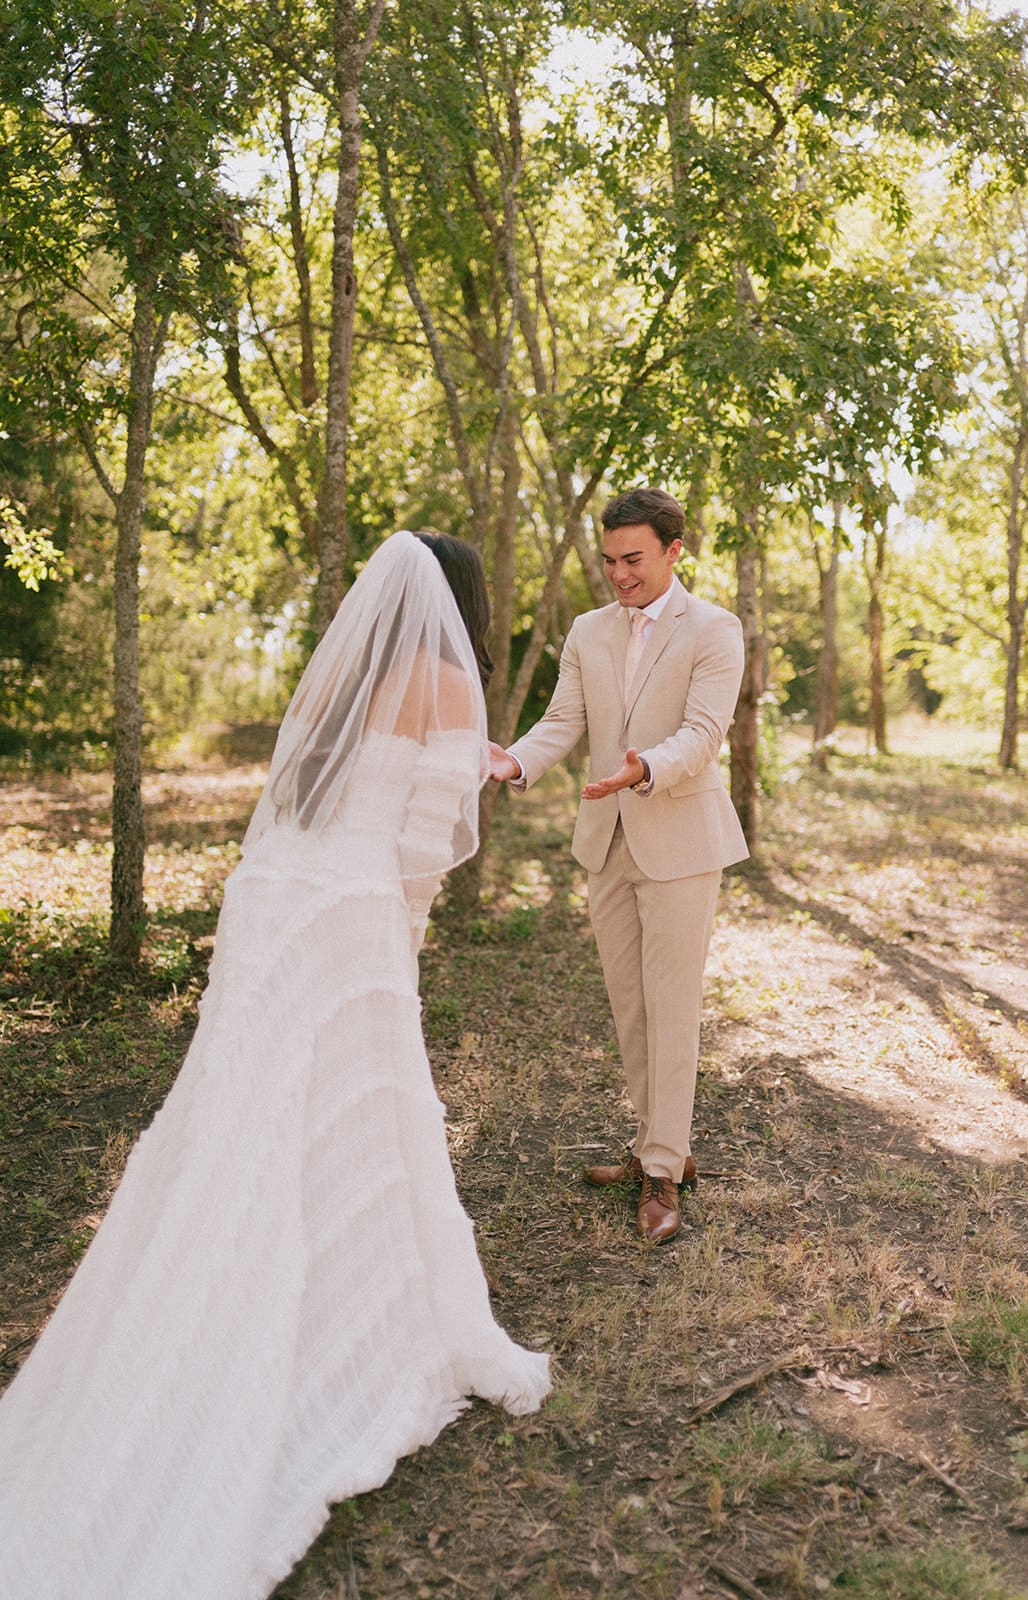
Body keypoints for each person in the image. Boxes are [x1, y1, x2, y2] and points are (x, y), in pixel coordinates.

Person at [0, 530, 550, 1600]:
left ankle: (219, 1269)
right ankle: (336, 1317)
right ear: (465, 607)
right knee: (352, 1112)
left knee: (237, 1114)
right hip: (346, 918)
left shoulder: (344, 667)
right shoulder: (447, 680)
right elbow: (423, 850)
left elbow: (297, 795)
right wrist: (404, 946)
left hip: (272, 900)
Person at [488, 488, 747, 1244]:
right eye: (607, 561)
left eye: (632, 559)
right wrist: (512, 760)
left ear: (673, 551)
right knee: (630, 1007)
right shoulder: (585, 630)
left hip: (680, 841)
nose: (618, 575)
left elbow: (702, 734)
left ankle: (664, 1172)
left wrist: (641, 769)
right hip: (605, 841)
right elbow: (563, 720)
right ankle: (653, 1148)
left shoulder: (715, 629)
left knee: (672, 1007)